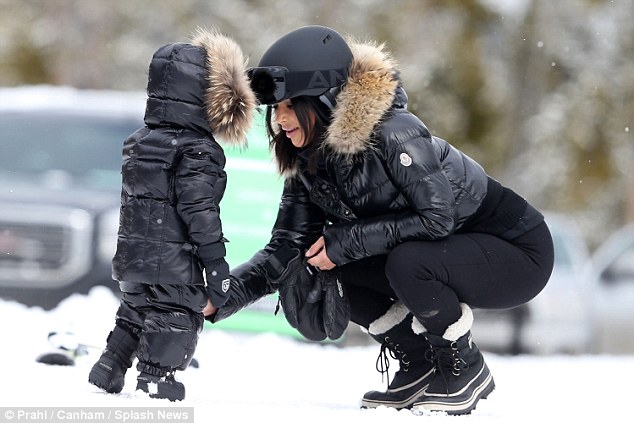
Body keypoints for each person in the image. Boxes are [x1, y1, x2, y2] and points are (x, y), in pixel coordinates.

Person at [206, 25, 554, 415]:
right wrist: (221, 296)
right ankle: (421, 362)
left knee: (405, 261)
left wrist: (345, 242)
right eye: (276, 109)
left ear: (322, 99)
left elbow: (437, 218)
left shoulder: (394, 131)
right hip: (447, 252)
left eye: (290, 105)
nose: (280, 119)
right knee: (320, 266)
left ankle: (464, 368)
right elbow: (287, 248)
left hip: (516, 251)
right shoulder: (309, 164)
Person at [88, 28, 256, 401]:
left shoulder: (139, 141)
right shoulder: (198, 150)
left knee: (135, 311)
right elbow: (198, 207)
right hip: (175, 263)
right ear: (206, 96)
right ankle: (156, 379)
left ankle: (109, 366)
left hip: (133, 260)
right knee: (174, 316)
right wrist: (214, 260)